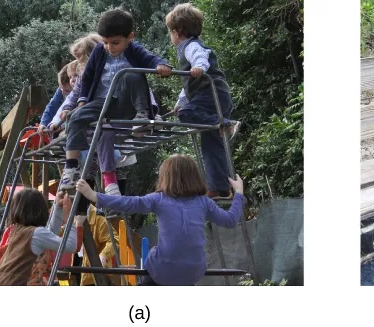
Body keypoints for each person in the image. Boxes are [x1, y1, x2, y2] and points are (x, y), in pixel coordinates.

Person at [75, 154, 246, 286]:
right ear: (195, 176)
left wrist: (94, 196)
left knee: (154, 260)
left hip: (163, 269)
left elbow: (129, 203)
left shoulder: (159, 199)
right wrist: (238, 193)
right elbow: (230, 220)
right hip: (194, 271)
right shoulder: (203, 202)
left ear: (166, 177)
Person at [60, 8, 172, 195]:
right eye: (105, 42)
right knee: (75, 116)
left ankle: (141, 117)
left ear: (130, 37)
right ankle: (71, 167)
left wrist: (161, 65)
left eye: (115, 43)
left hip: (124, 103)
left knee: (132, 75)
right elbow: (87, 78)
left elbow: (150, 58)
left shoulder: (134, 50)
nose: (109, 47)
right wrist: (82, 101)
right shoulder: (99, 52)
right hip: (102, 103)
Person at [165, 3, 240, 200]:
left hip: (212, 96)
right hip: (210, 97)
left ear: (178, 31)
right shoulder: (185, 48)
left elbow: (201, 58)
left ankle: (224, 124)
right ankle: (220, 187)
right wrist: (180, 101)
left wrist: (199, 67)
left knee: (186, 114)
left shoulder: (191, 46)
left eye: (170, 32)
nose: (170, 36)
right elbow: (188, 83)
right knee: (211, 146)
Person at [0, 189, 81, 285]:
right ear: (42, 210)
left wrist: (58, 207)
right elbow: (71, 246)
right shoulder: (36, 233)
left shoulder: (18, 230)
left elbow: (50, 233)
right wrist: (68, 219)